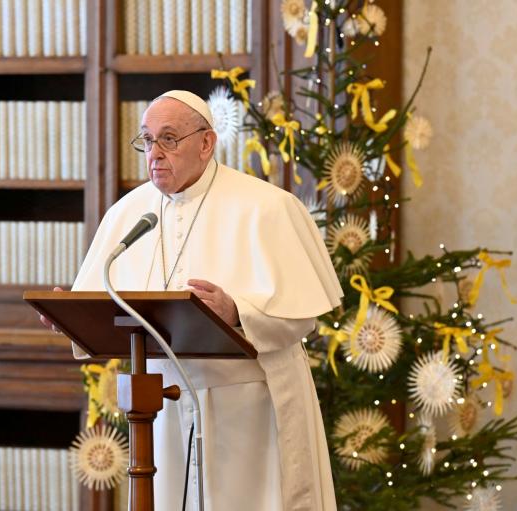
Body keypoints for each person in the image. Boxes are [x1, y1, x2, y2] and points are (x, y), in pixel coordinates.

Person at [42, 90, 342, 510]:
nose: (155, 153)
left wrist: (237, 311)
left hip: (249, 411)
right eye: (147, 140)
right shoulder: (128, 214)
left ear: (206, 143)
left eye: (169, 138)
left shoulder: (266, 208)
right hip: (163, 414)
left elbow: (301, 318)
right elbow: (106, 301)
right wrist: (73, 315)